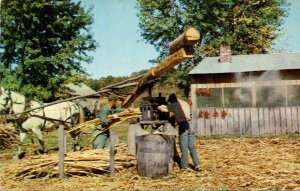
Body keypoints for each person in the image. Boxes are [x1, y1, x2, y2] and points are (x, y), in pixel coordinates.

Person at [158, 93, 201, 172]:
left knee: (183, 147)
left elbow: (164, 109)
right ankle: (197, 165)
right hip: (191, 125)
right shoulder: (184, 102)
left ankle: (184, 167)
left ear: (172, 100)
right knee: (191, 146)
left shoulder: (174, 104)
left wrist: (159, 106)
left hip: (183, 126)